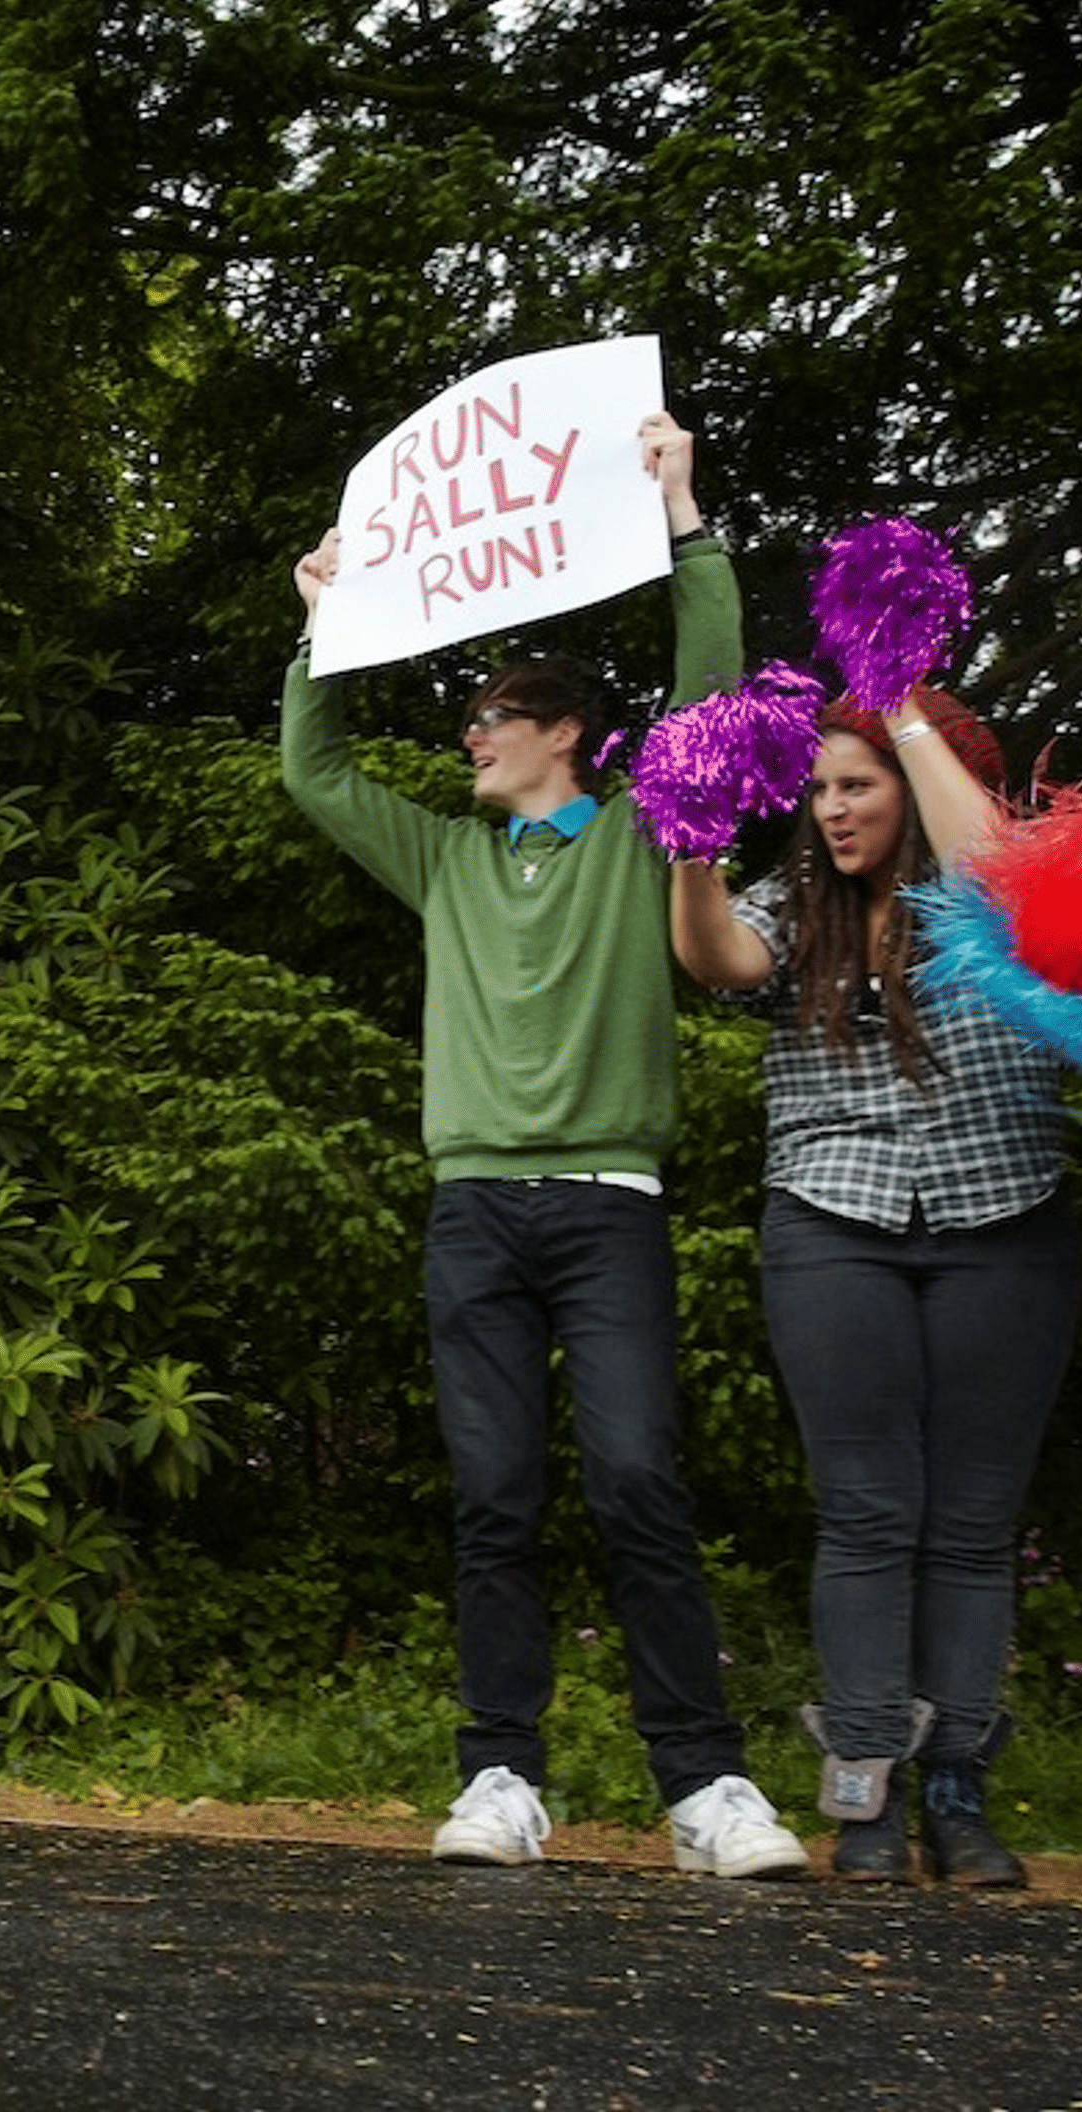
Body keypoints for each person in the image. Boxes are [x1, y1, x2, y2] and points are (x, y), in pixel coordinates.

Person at [281, 412, 807, 1879]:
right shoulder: (446, 857)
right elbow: (316, 780)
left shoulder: (642, 832)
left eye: (495, 717)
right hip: (473, 1217)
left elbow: (710, 695)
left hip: (607, 1208)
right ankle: (502, 1775)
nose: (472, 736)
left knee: (638, 1478)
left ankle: (706, 1791)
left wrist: (689, 522)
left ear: (564, 731)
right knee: (495, 1495)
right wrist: (319, 632)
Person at [668, 683, 1073, 1883]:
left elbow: (1010, 877)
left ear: (916, 778)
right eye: (821, 789)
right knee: (865, 1511)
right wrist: (692, 845)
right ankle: (866, 1796)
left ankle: (958, 1790)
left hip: (1008, 1217)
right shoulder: (800, 902)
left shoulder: (1002, 889)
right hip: (835, 1220)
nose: (835, 809)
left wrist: (896, 705)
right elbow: (718, 958)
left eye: (861, 785)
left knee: (971, 1524)